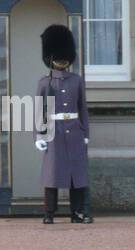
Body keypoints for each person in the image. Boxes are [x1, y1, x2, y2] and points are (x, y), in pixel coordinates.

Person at [34, 24, 92, 224]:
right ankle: (49, 212)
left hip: (74, 131)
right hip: (53, 131)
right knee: (52, 175)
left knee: (77, 176)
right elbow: (40, 111)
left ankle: (77, 212)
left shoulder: (76, 80)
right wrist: (39, 136)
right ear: (50, 58)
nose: (62, 60)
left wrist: (85, 132)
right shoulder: (45, 83)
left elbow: (82, 108)